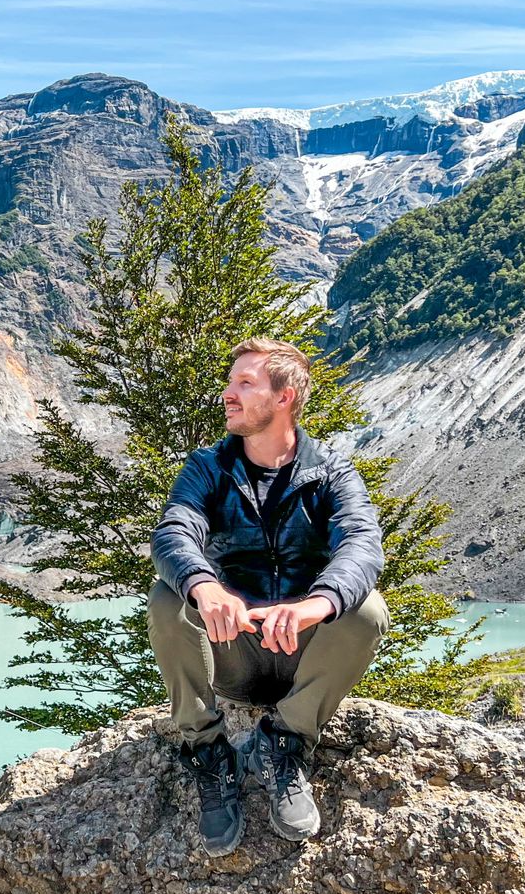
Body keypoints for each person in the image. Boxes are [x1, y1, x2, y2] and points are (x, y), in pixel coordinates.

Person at [148, 337, 389, 856]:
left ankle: (285, 741)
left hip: (302, 650)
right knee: (168, 598)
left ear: (284, 398)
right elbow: (173, 532)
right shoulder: (207, 468)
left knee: (364, 610)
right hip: (232, 648)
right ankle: (209, 747)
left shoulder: (332, 474)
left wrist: (316, 603)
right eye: (230, 382)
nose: (227, 394)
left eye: (245, 383)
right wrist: (204, 585)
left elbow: (363, 544)